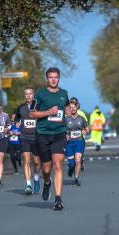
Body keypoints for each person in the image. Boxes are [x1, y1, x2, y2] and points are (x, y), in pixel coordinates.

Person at [29, 67, 69, 210]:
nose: (53, 79)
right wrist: (47, 112)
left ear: (59, 78)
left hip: (59, 134)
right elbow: (32, 114)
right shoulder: (40, 94)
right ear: (47, 79)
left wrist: (68, 114)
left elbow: (66, 109)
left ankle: (58, 199)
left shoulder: (64, 94)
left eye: (56, 77)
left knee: (57, 165)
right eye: (51, 77)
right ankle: (47, 183)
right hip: (43, 134)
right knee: (46, 168)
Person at [15, 88, 42, 195]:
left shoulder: (39, 107)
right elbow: (16, 117)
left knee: (36, 162)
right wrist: (17, 122)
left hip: (36, 137)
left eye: (30, 93)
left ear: (33, 94)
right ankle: (28, 185)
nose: (28, 96)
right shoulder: (21, 107)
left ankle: (36, 178)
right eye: (26, 94)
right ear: (24, 95)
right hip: (24, 137)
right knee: (26, 161)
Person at [65, 99, 89, 186]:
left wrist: (85, 131)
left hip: (79, 141)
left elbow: (87, 128)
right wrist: (65, 135)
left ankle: (76, 179)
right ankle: (71, 168)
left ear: (77, 107)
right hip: (69, 143)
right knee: (72, 163)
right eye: (71, 108)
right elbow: (62, 130)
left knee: (78, 160)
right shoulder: (66, 119)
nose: (72, 109)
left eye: (74, 107)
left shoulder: (81, 118)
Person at [69, 97, 88, 171]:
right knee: (72, 157)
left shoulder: (81, 113)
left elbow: (86, 125)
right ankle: (71, 166)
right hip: (70, 139)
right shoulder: (67, 113)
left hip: (80, 138)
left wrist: (84, 131)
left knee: (78, 157)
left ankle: (81, 162)